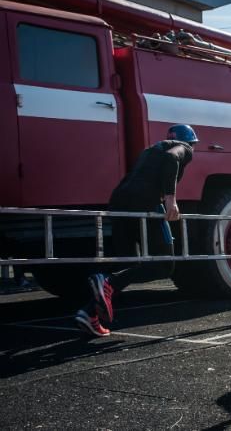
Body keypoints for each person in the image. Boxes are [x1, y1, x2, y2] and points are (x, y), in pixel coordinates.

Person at [74, 124, 197, 337]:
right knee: (164, 265)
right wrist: (171, 201)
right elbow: (171, 159)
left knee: (128, 267)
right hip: (145, 203)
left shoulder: (150, 151)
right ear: (191, 142)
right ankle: (107, 282)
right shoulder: (183, 148)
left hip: (119, 201)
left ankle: (89, 314)